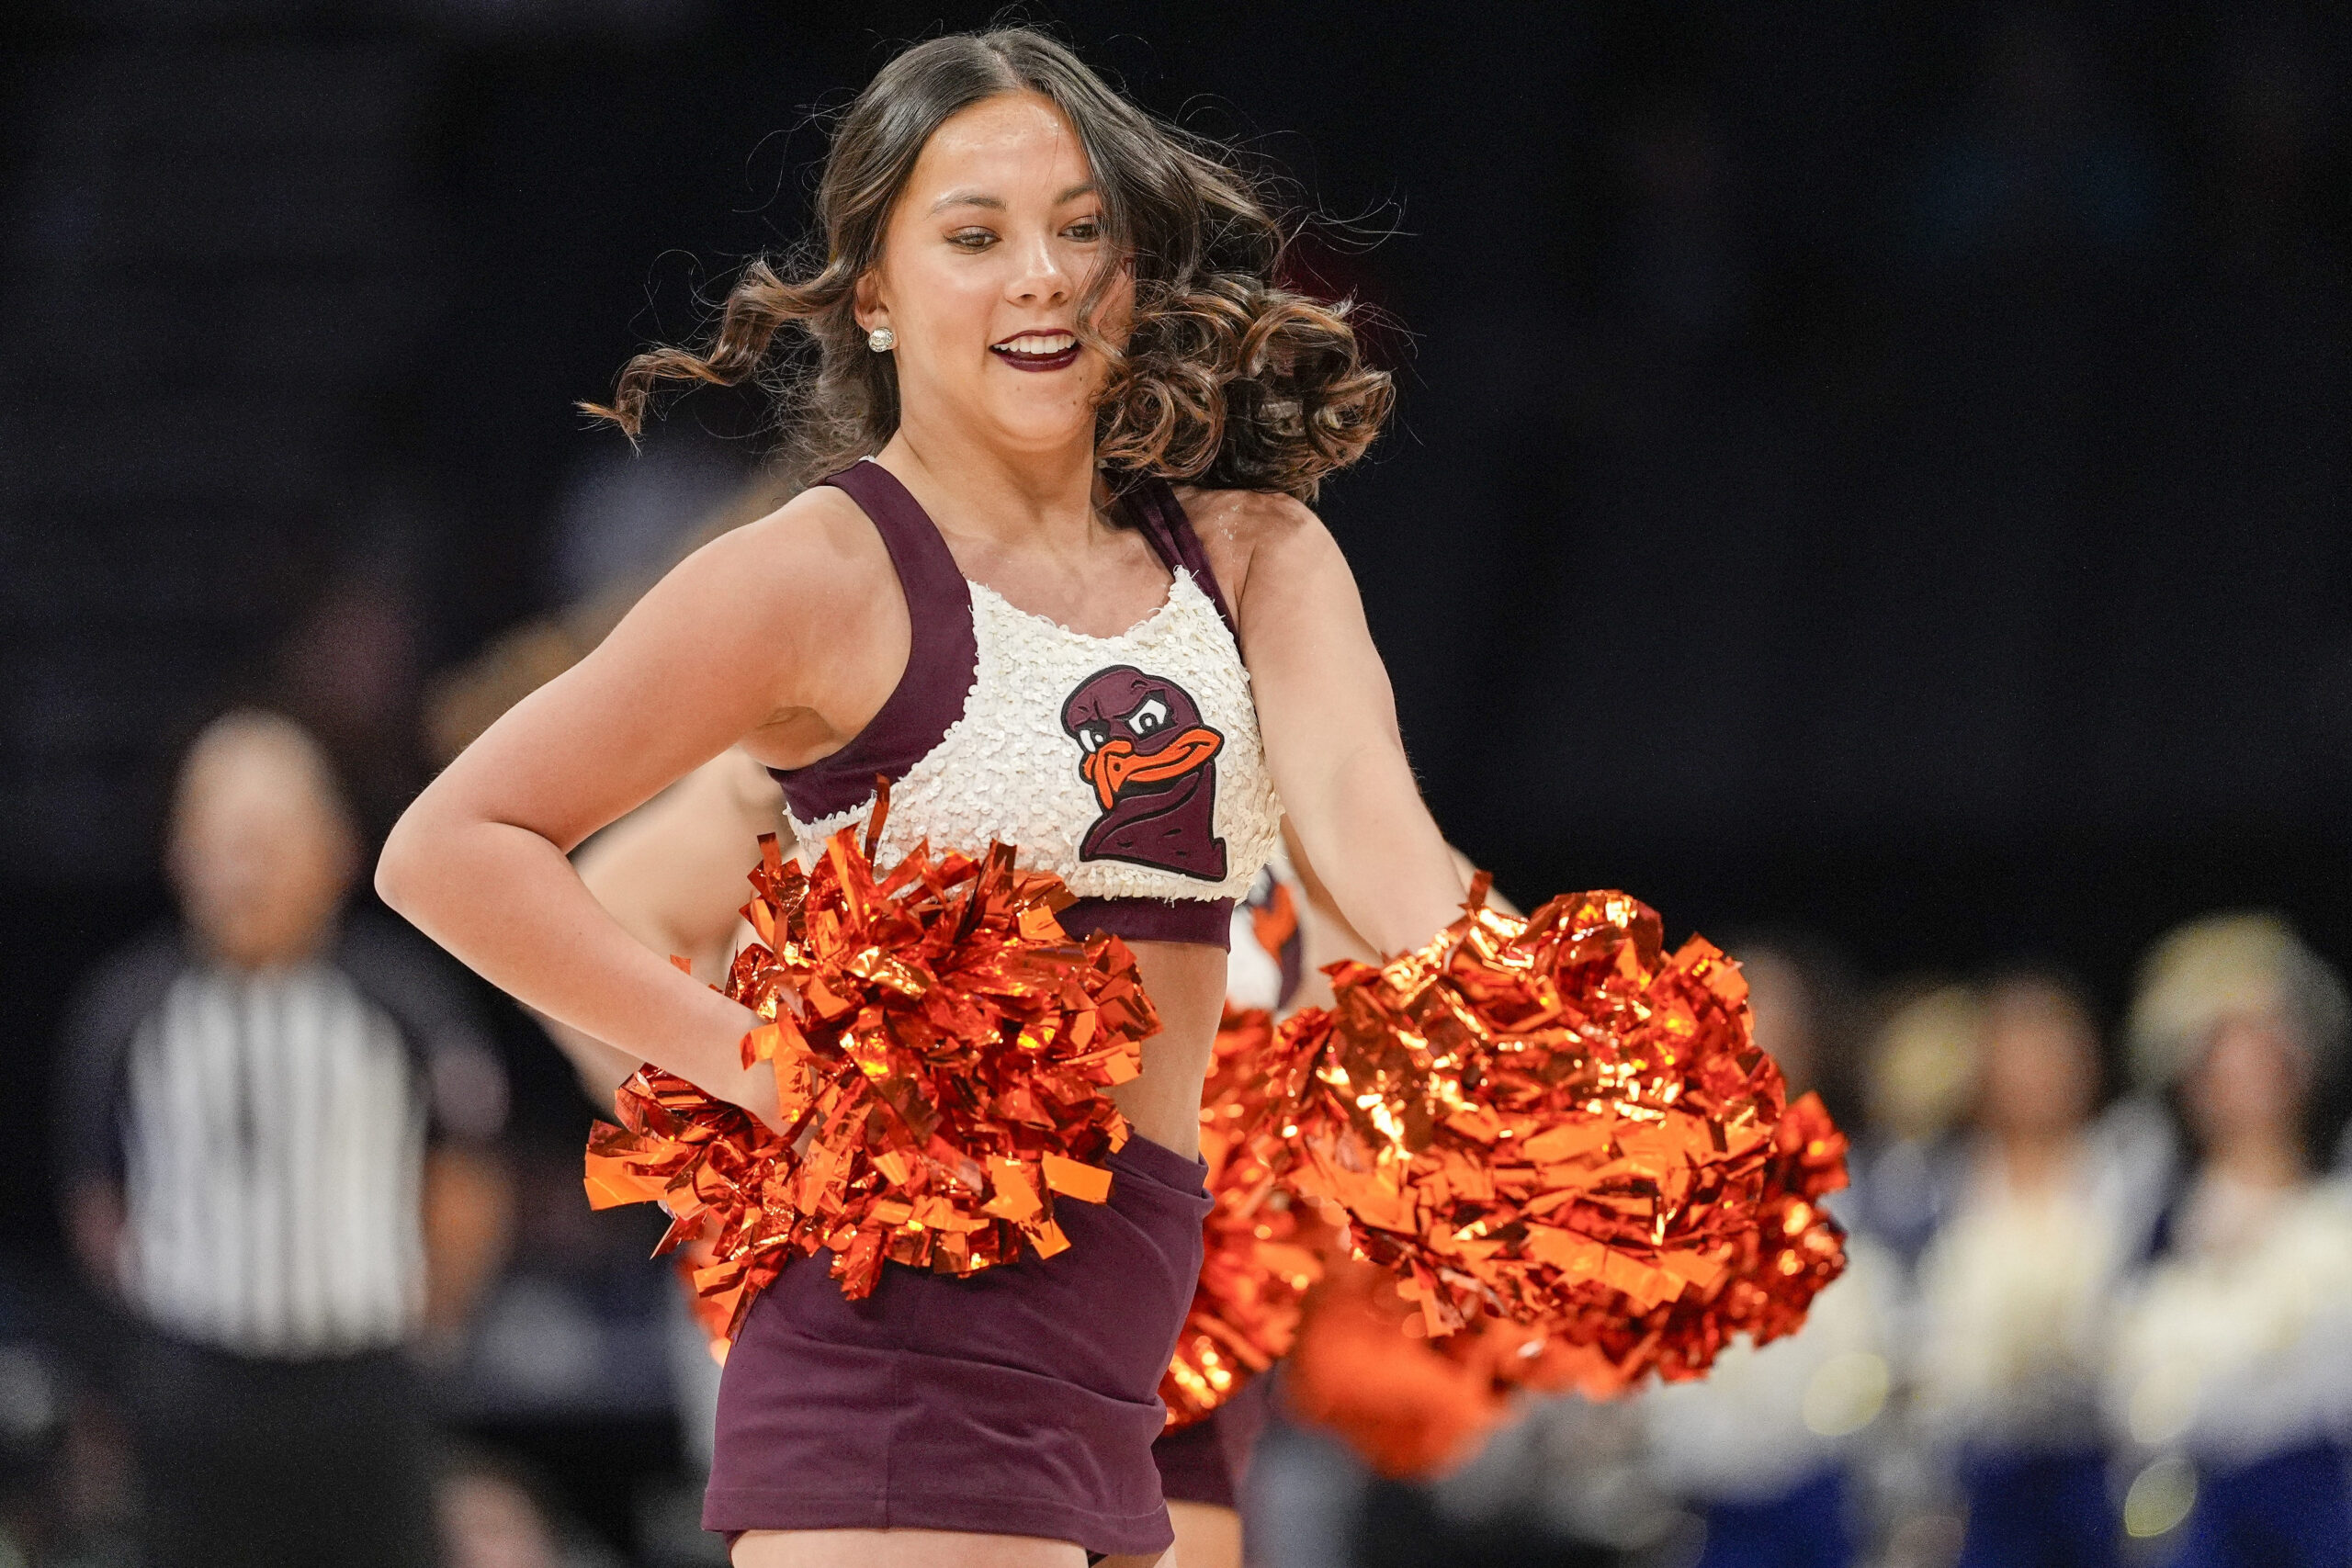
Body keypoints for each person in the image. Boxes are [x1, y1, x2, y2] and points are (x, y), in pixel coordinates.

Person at [375, 27, 1461, 1568]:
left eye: (1083, 231)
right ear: (872, 295)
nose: (1043, 277)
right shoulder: (820, 571)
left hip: (1135, 1341)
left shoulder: (1245, 555)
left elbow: (1381, 839)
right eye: (975, 237)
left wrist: (1528, 1066)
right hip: (900, 1353)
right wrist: (752, 1066)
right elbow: (454, 849)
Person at [54, 710, 512, 1568]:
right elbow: (97, 1199)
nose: (244, 868)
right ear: (178, 853)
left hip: (363, 1390)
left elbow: (466, 1179)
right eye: (222, 839)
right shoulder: (127, 1011)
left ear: (335, 848)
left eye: (268, 838)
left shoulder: (402, 1000)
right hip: (193, 1391)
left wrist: (432, 1324)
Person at [2104, 913, 2352, 1568]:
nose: (2245, 1070)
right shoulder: (2150, 1214)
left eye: (2265, 1045)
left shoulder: (2339, 1205)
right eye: (2221, 1050)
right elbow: (2133, 1373)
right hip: (2203, 1518)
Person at [1911, 971, 2130, 1568]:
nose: (2036, 1074)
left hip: (2105, 1472)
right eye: (2017, 1054)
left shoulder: (2130, 1171)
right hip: (1980, 1481)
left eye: (2054, 1052)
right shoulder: (1934, 1186)